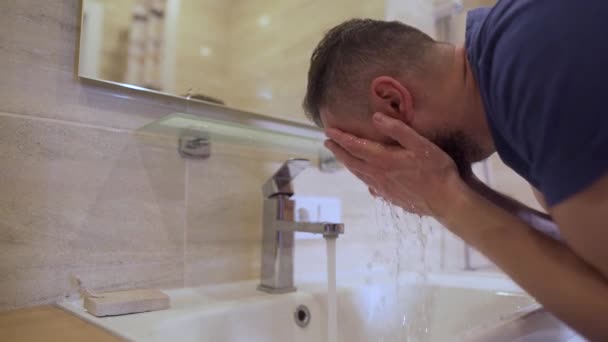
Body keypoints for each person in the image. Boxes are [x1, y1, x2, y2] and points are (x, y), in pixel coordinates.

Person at [302, 1, 608, 340]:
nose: (378, 182)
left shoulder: (531, 60)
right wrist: (461, 190)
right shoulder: (511, 65)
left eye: (368, 153)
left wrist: (448, 201)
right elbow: (589, 260)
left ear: (394, 102)